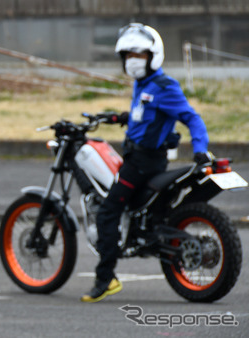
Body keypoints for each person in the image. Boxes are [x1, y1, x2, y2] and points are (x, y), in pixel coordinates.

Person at [80, 23, 210, 303]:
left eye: (138, 54)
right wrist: (116, 118)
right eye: (127, 55)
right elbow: (144, 116)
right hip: (137, 158)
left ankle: (106, 279)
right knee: (125, 204)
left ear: (153, 55)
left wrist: (200, 149)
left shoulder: (164, 86)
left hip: (143, 163)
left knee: (107, 211)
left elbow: (192, 118)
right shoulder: (144, 85)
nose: (132, 60)